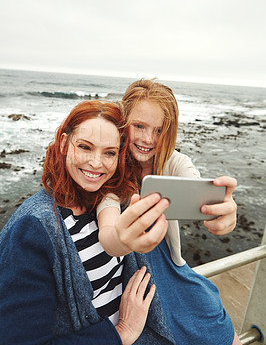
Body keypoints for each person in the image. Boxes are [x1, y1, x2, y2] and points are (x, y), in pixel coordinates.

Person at [0, 100, 172, 345]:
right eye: (85, 147)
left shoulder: (104, 200)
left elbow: (161, 156)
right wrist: (122, 332)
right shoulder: (32, 229)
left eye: (110, 152)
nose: (96, 163)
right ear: (63, 144)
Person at [96, 79, 241, 344]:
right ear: (123, 120)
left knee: (222, 329)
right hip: (132, 270)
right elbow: (108, 229)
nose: (147, 139)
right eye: (139, 126)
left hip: (171, 266)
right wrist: (120, 238)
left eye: (159, 130)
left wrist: (224, 212)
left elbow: (196, 186)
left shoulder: (174, 162)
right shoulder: (110, 165)